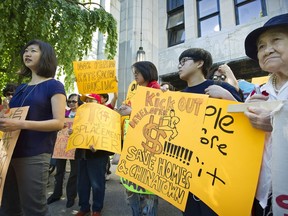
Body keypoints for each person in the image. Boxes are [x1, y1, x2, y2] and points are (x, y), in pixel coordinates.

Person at [0, 39, 66, 216]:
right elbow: (12, 117)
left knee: (33, 209)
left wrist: (20, 123)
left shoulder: (54, 85)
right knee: (8, 208)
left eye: (33, 51)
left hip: (34, 154)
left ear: (45, 56)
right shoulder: (21, 88)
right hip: (9, 153)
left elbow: (58, 122)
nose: (27, 54)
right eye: (26, 50)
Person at [176, 48, 242, 216]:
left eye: (184, 61)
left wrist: (227, 97)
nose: (179, 66)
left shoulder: (221, 89)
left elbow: (244, 124)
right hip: (187, 171)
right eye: (179, 62)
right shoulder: (178, 97)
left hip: (216, 173)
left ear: (199, 63)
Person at [244, 13, 288, 216]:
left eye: (276, 40)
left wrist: (276, 123)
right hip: (263, 196)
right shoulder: (257, 93)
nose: (267, 50)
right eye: (261, 46)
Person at [118, 61, 160, 216]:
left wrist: (131, 111)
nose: (134, 75)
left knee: (146, 191)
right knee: (133, 188)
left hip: (147, 147)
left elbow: (155, 115)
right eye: (134, 72)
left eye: (137, 72)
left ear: (147, 72)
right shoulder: (139, 90)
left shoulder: (155, 89)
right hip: (135, 144)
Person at [75, 93, 109, 216]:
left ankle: (96, 209)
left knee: (97, 184)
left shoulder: (105, 117)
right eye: (87, 100)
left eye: (91, 100)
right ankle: (84, 207)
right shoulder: (81, 116)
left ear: (99, 103)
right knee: (82, 184)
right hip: (82, 155)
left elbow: (110, 139)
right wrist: (72, 132)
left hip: (97, 156)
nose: (88, 102)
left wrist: (99, 147)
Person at [47, 93, 83, 208]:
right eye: (69, 101)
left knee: (74, 173)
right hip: (61, 145)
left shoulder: (83, 115)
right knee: (59, 171)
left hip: (76, 146)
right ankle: (56, 194)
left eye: (74, 101)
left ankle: (71, 197)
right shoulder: (64, 113)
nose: (71, 103)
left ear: (79, 103)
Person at [99, 92, 118, 180]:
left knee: (105, 154)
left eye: (101, 97)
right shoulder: (94, 108)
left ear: (105, 99)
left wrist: (115, 93)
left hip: (105, 134)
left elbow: (114, 101)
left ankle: (106, 171)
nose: (99, 98)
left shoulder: (108, 107)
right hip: (97, 134)